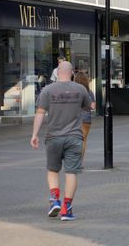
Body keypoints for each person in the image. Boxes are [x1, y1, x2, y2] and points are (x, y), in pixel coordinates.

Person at [30, 61, 92, 221]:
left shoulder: (47, 90)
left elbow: (40, 113)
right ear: (71, 72)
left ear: (57, 72)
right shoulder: (80, 89)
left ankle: (54, 199)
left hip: (53, 137)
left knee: (52, 170)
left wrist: (34, 135)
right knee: (71, 172)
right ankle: (67, 209)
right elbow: (88, 107)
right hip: (74, 137)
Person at [72, 71, 96, 164]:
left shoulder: (73, 91)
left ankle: (72, 160)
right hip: (86, 118)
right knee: (83, 140)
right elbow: (93, 106)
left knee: (73, 139)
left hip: (74, 118)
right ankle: (80, 162)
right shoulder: (89, 92)